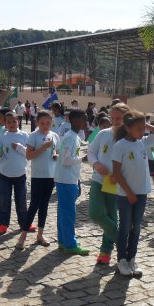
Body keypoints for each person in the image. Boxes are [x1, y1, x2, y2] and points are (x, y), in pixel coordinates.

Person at [112, 111, 154, 277]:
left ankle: (131, 258)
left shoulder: (144, 142)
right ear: (128, 128)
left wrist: (144, 123)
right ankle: (121, 259)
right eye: (138, 128)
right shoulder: (120, 145)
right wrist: (129, 193)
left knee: (136, 228)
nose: (142, 131)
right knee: (125, 226)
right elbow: (117, 173)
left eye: (144, 128)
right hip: (125, 194)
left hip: (142, 192)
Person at [88, 103, 129, 265]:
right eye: (113, 118)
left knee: (112, 214)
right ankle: (121, 240)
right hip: (99, 179)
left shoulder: (129, 137)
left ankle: (105, 251)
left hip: (116, 182)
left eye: (119, 118)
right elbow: (91, 152)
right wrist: (96, 164)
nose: (116, 121)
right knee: (95, 213)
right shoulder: (103, 133)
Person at [54, 109, 89, 255]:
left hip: (67, 178)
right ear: (74, 121)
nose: (86, 122)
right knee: (68, 213)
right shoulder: (70, 137)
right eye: (83, 119)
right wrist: (83, 159)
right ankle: (70, 243)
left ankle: (63, 240)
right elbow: (66, 160)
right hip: (67, 180)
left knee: (63, 211)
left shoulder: (73, 136)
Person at [24, 110, 59, 248]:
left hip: (51, 175)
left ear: (52, 123)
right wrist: (44, 147)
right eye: (42, 123)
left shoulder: (55, 135)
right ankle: (23, 234)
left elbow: (57, 151)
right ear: (37, 123)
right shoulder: (33, 136)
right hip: (38, 175)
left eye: (48, 123)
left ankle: (40, 234)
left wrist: (56, 154)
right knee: (34, 205)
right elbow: (29, 156)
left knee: (44, 206)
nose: (45, 126)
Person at [0, 112, 30, 240]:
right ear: (5, 123)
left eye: (14, 121)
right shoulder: (2, 137)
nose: (11, 124)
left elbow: (29, 154)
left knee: (21, 199)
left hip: (20, 173)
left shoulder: (24, 136)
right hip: (5, 174)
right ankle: (3, 223)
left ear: (18, 121)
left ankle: (24, 222)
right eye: (8, 122)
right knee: (4, 200)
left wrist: (19, 147)